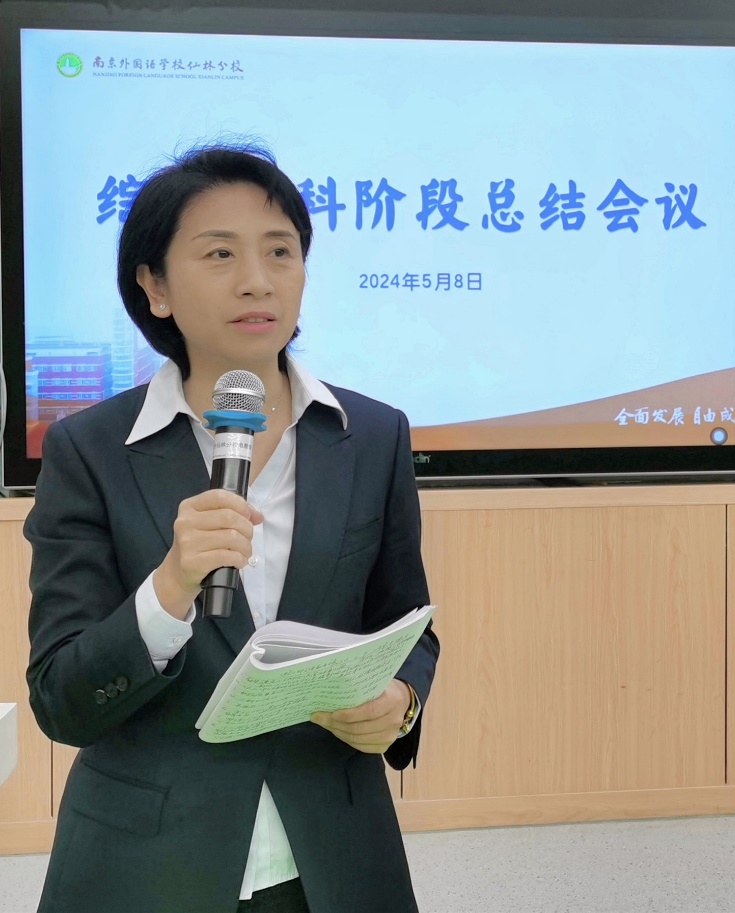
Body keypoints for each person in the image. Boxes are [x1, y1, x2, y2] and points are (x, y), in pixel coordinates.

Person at [24, 145, 440, 913]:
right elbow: (62, 699)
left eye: (280, 251)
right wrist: (169, 585)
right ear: (154, 287)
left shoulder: (372, 434)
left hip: (337, 859)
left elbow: (408, 623)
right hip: (147, 867)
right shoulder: (89, 450)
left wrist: (401, 699)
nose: (258, 279)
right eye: (220, 253)